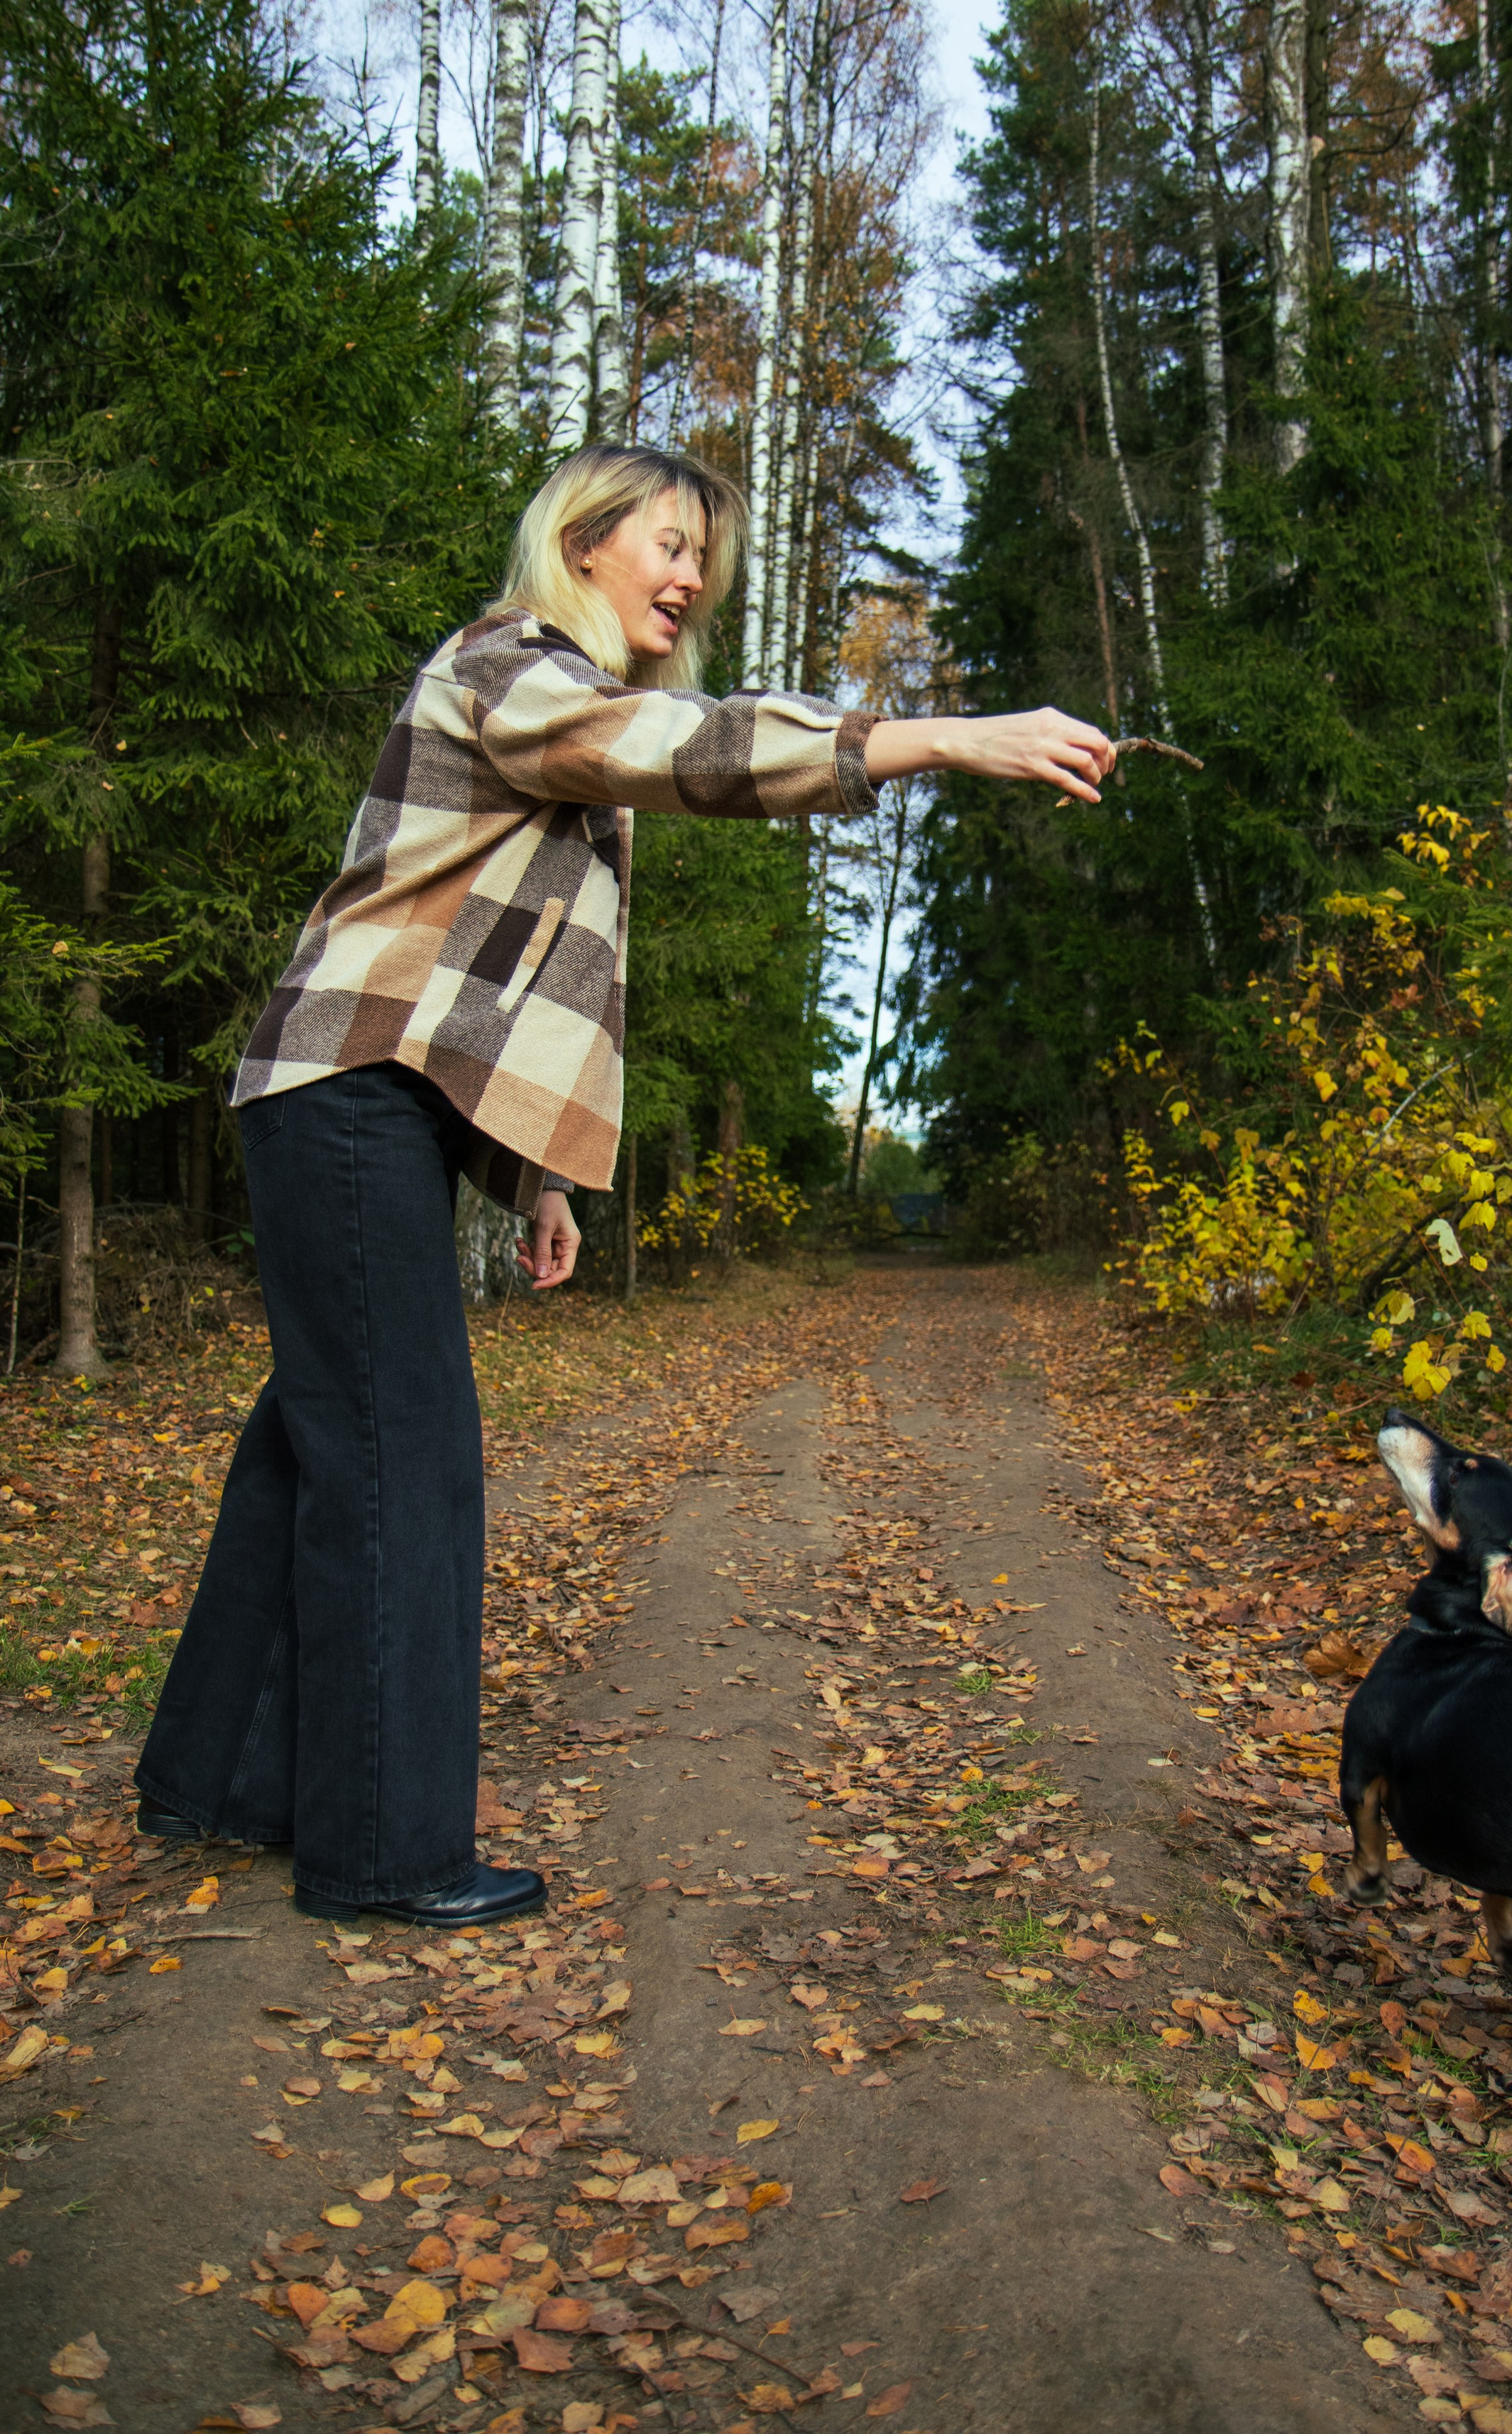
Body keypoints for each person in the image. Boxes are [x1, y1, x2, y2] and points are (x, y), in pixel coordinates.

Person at [133, 442, 1114, 1930]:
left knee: (316, 1451)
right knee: (409, 1466)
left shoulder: (565, 722)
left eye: (700, 561)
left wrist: (537, 1177)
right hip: (345, 1094)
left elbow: (515, 978)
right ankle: (384, 1852)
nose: (686, 577)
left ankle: (217, 1777)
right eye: (664, 543)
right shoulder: (506, 667)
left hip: (364, 1101)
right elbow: (685, 749)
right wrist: (927, 739)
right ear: (580, 542)